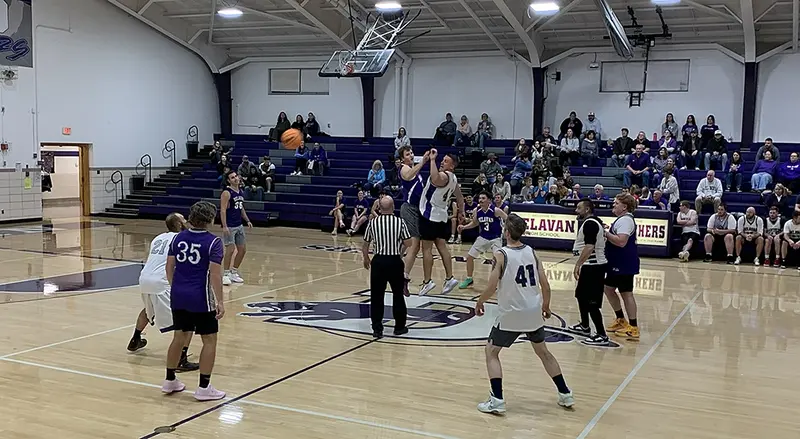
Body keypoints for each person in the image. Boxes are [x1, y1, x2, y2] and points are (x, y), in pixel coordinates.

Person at [475, 214, 574, 414]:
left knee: (491, 352)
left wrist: (480, 301)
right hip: (533, 311)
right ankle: (565, 394)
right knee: (543, 352)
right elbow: (545, 285)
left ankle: (497, 399)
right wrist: (546, 306)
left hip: (512, 312)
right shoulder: (531, 251)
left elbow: (492, 286)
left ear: (507, 233)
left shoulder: (501, 254)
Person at [161, 201, 226, 401]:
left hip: (178, 294)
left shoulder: (177, 238)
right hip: (201, 297)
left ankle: (170, 380)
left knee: (178, 337)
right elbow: (215, 275)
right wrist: (220, 301)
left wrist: (176, 287)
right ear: (210, 219)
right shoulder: (214, 242)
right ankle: (204, 387)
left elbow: (169, 267)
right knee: (209, 340)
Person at [130, 213, 200, 372]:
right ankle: (181, 359)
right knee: (188, 319)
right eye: (184, 219)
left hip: (144, 278)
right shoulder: (182, 239)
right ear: (179, 224)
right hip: (162, 281)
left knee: (149, 310)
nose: (187, 221)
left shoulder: (159, 237)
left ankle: (136, 338)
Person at [361, 196, 412, 338]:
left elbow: (365, 244)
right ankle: (399, 327)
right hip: (395, 261)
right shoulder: (400, 222)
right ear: (393, 206)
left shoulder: (373, 222)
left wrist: (366, 258)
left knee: (377, 296)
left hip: (378, 262)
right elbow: (409, 242)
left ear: (379, 208)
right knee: (398, 295)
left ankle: (377, 329)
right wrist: (399, 250)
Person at [418, 149, 463, 296]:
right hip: (441, 216)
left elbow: (435, 178)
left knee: (426, 249)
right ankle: (449, 278)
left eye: (445, 161)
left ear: (452, 166)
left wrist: (432, 160)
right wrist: (461, 211)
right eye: (442, 160)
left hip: (430, 215)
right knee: (442, 247)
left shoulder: (444, 176)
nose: (442, 162)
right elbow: (460, 197)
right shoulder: (454, 179)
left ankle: (427, 281)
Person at [570, 199, 610, 346]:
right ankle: (585, 326)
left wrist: (578, 264)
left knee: (592, 302)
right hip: (590, 266)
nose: (576, 210)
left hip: (594, 266)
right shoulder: (592, 222)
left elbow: (589, 247)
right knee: (581, 296)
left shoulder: (591, 224)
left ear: (587, 210)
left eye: (579, 208)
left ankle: (602, 334)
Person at [603, 193, 641, 340]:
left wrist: (605, 233)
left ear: (624, 207)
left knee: (626, 293)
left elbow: (621, 241)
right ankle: (620, 319)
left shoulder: (626, 220)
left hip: (624, 263)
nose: (613, 205)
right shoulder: (622, 219)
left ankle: (633, 327)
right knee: (608, 289)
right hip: (616, 262)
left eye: (616, 203)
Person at [457, 191, 508, 289]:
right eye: (480, 198)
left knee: (497, 260)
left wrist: (508, 232)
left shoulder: (496, 210)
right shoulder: (476, 210)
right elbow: (475, 223)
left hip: (496, 238)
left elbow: (508, 219)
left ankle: (495, 281)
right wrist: (464, 227)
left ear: (489, 200)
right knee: (469, 257)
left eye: (483, 198)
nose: (480, 200)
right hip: (483, 237)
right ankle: (469, 279)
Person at [399, 147, 430, 294]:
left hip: (418, 209)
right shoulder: (404, 168)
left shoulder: (415, 170)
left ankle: (395, 264)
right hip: (409, 208)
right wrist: (423, 162)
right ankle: (403, 278)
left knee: (410, 244)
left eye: (411, 153)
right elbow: (408, 175)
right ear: (402, 159)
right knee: (414, 243)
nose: (411, 155)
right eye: (407, 154)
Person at [219, 172, 252, 285]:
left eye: (236, 176)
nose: (235, 179)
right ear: (229, 181)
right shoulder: (227, 193)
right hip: (230, 225)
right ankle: (226, 274)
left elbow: (241, 208)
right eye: (232, 177)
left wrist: (247, 220)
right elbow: (223, 210)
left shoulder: (240, 191)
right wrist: (224, 226)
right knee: (230, 250)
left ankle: (234, 272)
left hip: (239, 225)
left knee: (242, 250)